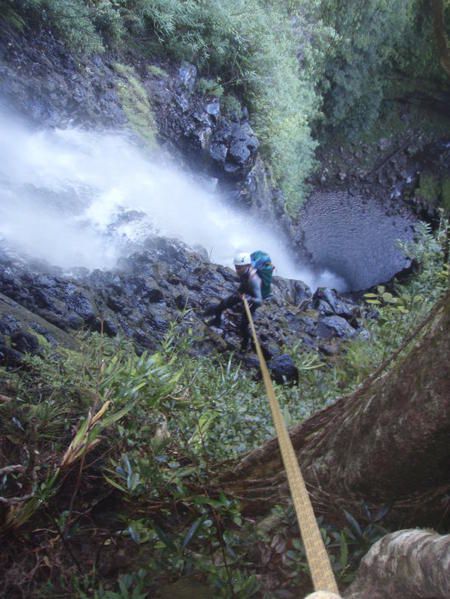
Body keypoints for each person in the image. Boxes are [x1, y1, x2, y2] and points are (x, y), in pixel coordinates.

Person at [204, 252, 263, 351]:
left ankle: (245, 345)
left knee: (243, 325)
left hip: (252, 302)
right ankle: (217, 321)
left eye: (239, 268)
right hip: (243, 293)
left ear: (247, 266)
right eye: (236, 267)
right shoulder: (244, 272)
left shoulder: (254, 280)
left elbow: (259, 301)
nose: (237, 270)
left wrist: (249, 299)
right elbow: (244, 285)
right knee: (223, 304)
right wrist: (240, 293)